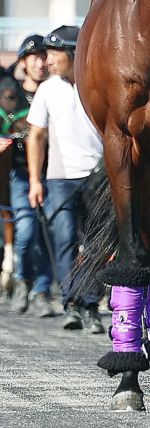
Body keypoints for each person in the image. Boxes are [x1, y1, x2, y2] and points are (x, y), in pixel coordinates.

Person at [27, 25, 105, 333]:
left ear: (74, 53)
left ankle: (91, 305)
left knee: (96, 244)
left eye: (54, 53)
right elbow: (36, 135)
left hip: (98, 177)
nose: (47, 60)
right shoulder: (48, 89)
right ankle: (72, 303)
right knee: (64, 241)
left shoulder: (96, 83)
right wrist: (35, 180)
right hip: (59, 179)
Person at [8, 35, 54, 317]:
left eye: (43, 56)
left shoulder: (57, 91)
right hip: (20, 175)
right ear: (23, 62)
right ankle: (23, 280)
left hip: (52, 174)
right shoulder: (9, 94)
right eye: (34, 57)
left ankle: (42, 290)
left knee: (49, 234)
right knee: (25, 231)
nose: (41, 63)